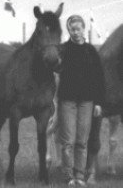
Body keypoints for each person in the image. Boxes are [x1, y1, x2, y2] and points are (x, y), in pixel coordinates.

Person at [57, 15, 105, 187]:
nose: (75, 32)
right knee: (68, 142)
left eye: (78, 29)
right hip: (67, 102)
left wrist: (98, 103)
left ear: (83, 29)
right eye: (72, 29)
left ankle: (79, 175)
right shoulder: (63, 50)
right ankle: (68, 176)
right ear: (68, 30)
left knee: (82, 142)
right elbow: (54, 68)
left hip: (87, 102)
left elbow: (99, 78)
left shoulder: (91, 51)